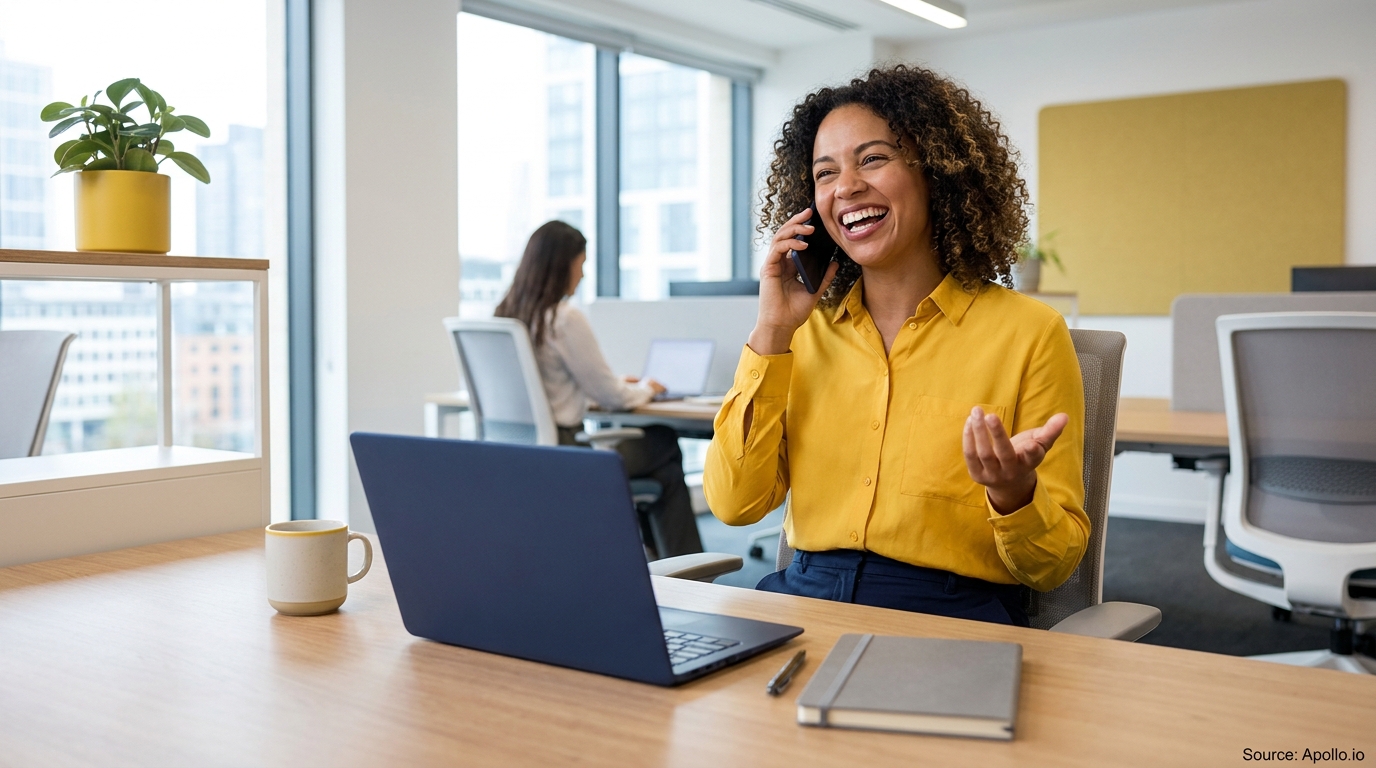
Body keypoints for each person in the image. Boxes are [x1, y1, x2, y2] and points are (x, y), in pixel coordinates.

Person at [703, 65, 1088, 626]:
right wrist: (771, 334)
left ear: (936, 170)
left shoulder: (1029, 333)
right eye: (825, 172)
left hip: (948, 613)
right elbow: (734, 505)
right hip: (803, 596)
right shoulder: (799, 335)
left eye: (873, 159)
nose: (847, 186)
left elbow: (1052, 567)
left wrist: (1014, 493)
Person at [494, 220, 705, 559]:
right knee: (662, 441)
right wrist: (648, 388)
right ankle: (689, 569)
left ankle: (657, 559)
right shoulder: (563, 318)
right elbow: (613, 398)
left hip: (520, 457)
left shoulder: (506, 317)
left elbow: (552, 386)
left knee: (658, 470)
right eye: (582, 263)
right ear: (564, 264)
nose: (582, 274)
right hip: (566, 456)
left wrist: (618, 385)